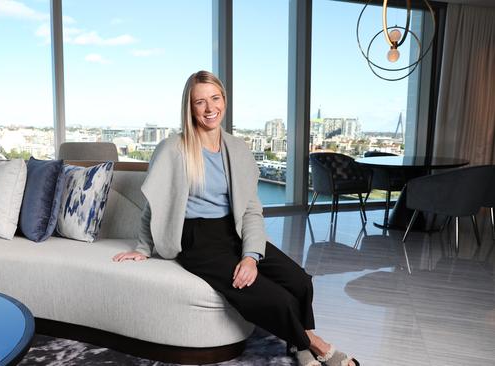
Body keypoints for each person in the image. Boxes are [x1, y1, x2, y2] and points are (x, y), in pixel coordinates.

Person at [112, 70, 359, 366]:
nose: (209, 108)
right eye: (199, 102)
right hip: (196, 238)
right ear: (189, 107)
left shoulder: (238, 150)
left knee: (300, 281)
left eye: (215, 98)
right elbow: (154, 206)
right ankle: (317, 345)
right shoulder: (172, 149)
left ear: (224, 101)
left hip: (234, 231)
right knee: (274, 298)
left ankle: (298, 343)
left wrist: (251, 256)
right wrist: (142, 249)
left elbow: (251, 209)